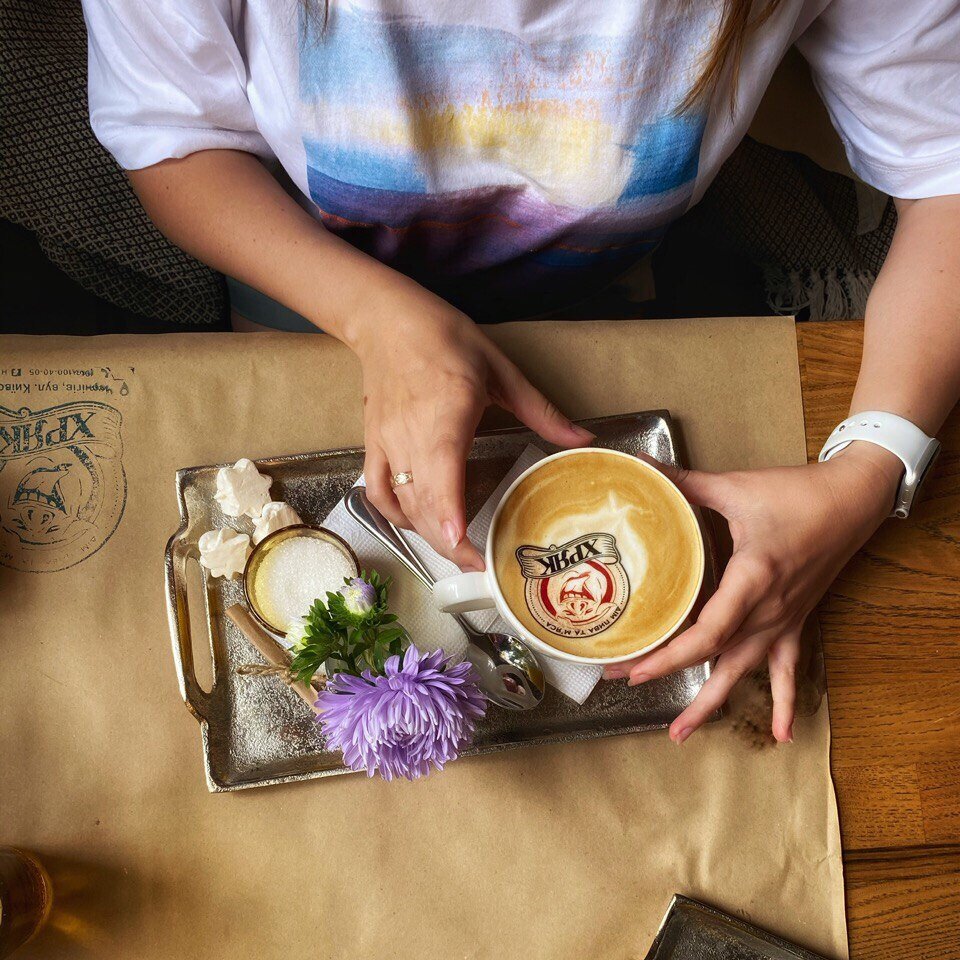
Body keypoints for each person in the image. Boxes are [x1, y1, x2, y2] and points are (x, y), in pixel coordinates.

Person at [81, 0, 960, 743]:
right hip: (304, 277)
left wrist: (871, 470)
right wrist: (375, 317)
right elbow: (171, 135)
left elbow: (946, 169)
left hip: (604, 293)